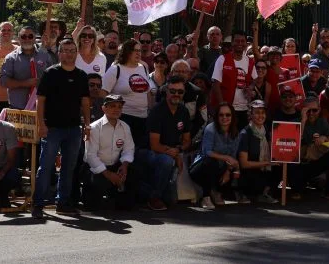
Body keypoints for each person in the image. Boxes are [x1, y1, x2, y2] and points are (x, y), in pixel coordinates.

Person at [32, 38, 91, 220]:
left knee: (69, 167)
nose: (68, 53)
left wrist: (87, 124)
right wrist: (41, 125)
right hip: (52, 129)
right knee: (46, 167)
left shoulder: (82, 75)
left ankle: (63, 203)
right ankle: (38, 204)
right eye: (65, 50)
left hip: (73, 129)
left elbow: (85, 102)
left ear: (76, 52)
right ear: (59, 53)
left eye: (72, 50)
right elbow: (40, 101)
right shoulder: (50, 73)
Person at [142, 76, 192, 211]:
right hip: (150, 152)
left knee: (171, 201)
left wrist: (179, 150)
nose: (176, 94)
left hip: (173, 152)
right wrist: (175, 155)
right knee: (166, 161)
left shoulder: (183, 111)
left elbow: (187, 140)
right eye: (173, 91)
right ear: (166, 91)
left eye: (180, 92)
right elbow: (154, 145)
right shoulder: (157, 111)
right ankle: (154, 197)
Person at [82, 94, 136, 210]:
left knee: (127, 204)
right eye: (112, 106)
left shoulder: (125, 127)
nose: (116, 109)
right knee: (93, 206)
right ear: (103, 108)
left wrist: (124, 165)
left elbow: (129, 149)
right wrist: (108, 175)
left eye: (119, 107)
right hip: (96, 170)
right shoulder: (94, 128)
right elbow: (91, 156)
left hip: (115, 166)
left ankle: (118, 195)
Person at [103, 39, 153, 149]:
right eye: (135, 50)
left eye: (139, 51)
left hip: (143, 118)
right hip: (123, 118)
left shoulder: (143, 68)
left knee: (139, 154)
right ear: (126, 52)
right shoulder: (115, 69)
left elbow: (147, 91)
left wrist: (150, 110)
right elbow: (103, 93)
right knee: (123, 152)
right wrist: (112, 112)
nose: (138, 53)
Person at [190, 102, 240, 209]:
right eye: (221, 115)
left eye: (228, 115)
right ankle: (206, 197)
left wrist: (227, 172)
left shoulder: (235, 133)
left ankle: (217, 192)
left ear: (232, 116)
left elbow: (233, 156)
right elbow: (207, 151)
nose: (224, 117)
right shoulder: (210, 128)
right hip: (201, 167)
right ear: (217, 116)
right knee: (211, 161)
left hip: (221, 167)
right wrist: (226, 158)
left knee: (234, 168)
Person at [297, 97, 329, 200]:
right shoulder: (298, 122)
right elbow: (294, 144)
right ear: (303, 111)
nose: (311, 113)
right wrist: (303, 121)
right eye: (308, 111)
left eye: (314, 110)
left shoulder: (322, 122)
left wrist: (325, 142)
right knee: (297, 189)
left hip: (316, 162)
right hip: (300, 164)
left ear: (319, 110)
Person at [210, 30, 256, 131]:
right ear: (232, 43)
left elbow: (253, 81)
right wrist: (222, 106)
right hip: (227, 109)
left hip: (244, 109)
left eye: (242, 41)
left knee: (241, 142)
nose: (240, 44)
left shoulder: (250, 61)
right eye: (237, 41)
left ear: (246, 43)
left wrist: (250, 88)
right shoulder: (222, 59)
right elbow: (215, 84)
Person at [236, 100, 280, 204]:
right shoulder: (245, 134)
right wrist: (267, 163)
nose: (260, 116)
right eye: (257, 113)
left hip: (262, 169)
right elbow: (244, 164)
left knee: (280, 167)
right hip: (248, 172)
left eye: (263, 113)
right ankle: (243, 193)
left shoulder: (266, 130)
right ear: (250, 115)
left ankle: (264, 193)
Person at [0, 27, 53, 110]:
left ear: (35, 38)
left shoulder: (45, 56)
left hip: (42, 107)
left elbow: (53, 77)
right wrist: (25, 83)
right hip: (18, 108)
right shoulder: (11, 58)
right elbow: (4, 82)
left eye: (30, 36)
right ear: (18, 39)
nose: (27, 39)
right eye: (23, 36)